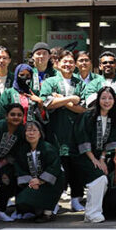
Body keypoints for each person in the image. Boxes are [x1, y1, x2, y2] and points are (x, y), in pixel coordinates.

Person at [40, 50, 89, 211]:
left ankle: (76, 200)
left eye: (70, 62)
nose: (68, 64)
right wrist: (69, 99)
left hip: (76, 132)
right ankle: (54, 201)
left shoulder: (80, 83)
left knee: (76, 169)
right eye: (64, 61)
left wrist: (60, 99)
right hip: (55, 132)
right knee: (56, 169)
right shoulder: (50, 81)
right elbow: (47, 103)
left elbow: (83, 109)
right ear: (57, 64)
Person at [75, 86, 116, 223]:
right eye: (103, 98)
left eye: (110, 98)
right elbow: (82, 138)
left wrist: (102, 159)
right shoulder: (87, 116)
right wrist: (94, 159)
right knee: (99, 178)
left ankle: (92, 212)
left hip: (100, 157)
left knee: (104, 179)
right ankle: (92, 212)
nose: (106, 101)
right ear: (98, 100)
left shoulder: (114, 118)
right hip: (83, 157)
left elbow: (111, 141)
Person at [14, 119, 66, 222]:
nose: (31, 133)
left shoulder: (48, 148)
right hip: (32, 183)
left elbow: (54, 167)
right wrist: (32, 181)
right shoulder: (22, 150)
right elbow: (20, 168)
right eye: (28, 130)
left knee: (44, 195)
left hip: (51, 182)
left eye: (34, 130)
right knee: (22, 200)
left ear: (40, 133)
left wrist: (41, 180)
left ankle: (48, 212)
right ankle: (37, 210)